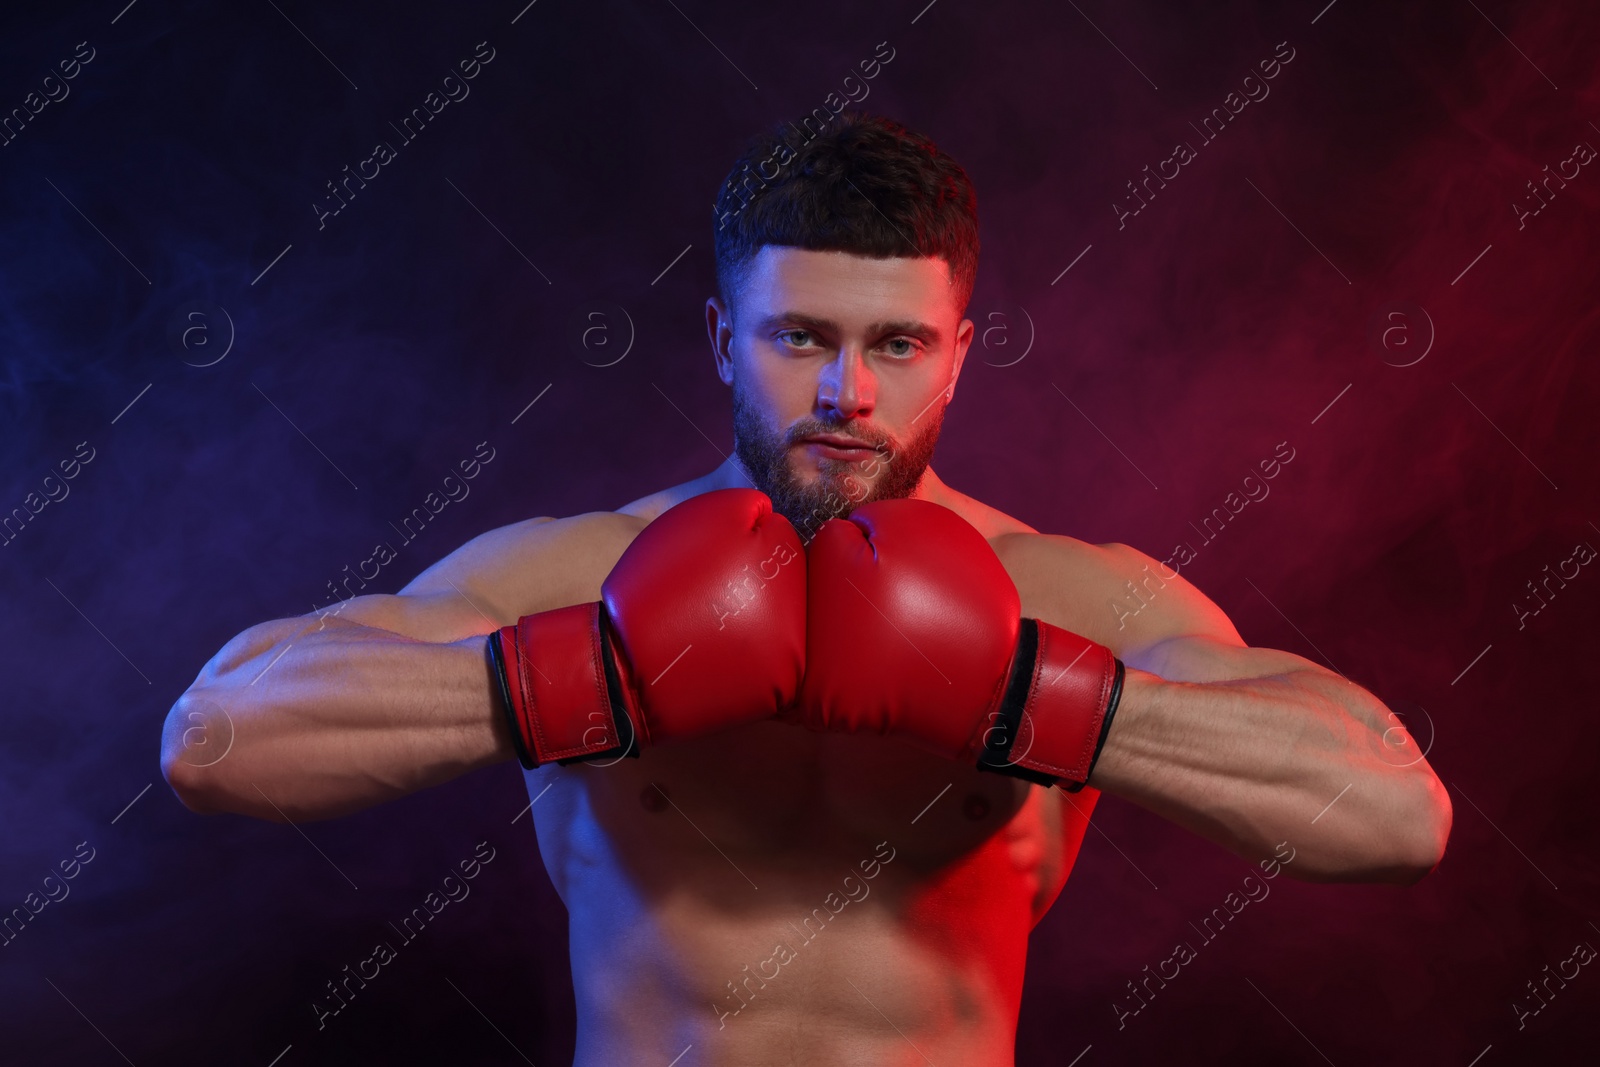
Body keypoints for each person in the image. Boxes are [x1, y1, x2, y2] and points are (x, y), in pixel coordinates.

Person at [161, 110, 1451, 1066]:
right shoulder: (584, 570)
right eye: (801, 338)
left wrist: (1031, 694)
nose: (849, 394)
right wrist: (587, 677)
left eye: (897, 343)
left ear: (960, 357)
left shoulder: (1065, 596)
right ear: (726, 338)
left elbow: (1399, 817)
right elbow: (213, 741)